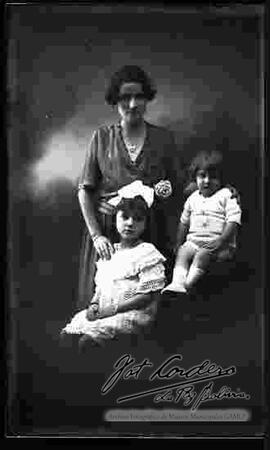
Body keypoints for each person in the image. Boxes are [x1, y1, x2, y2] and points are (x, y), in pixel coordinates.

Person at [77, 65, 179, 309]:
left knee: (146, 308)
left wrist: (168, 189)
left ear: (147, 99)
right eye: (125, 97)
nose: (132, 104)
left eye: (139, 97)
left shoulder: (163, 138)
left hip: (151, 233)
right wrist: (96, 235)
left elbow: (180, 186)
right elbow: (84, 190)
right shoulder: (101, 137)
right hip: (109, 234)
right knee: (104, 306)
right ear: (115, 100)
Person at [61, 192, 166, 347]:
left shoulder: (147, 253)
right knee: (67, 336)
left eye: (137, 219)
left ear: (145, 224)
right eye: (125, 217)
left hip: (132, 313)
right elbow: (101, 289)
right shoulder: (110, 252)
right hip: (105, 311)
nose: (130, 223)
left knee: (87, 342)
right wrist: (95, 305)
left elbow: (147, 296)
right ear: (115, 218)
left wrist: (112, 309)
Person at [162, 150, 242, 294]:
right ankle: (177, 283)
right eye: (202, 176)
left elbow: (233, 221)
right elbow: (184, 222)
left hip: (219, 245)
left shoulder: (226, 195)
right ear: (195, 178)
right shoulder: (192, 198)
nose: (207, 181)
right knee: (182, 252)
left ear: (222, 178)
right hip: (194, 242)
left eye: (213, 177)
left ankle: (187, 285)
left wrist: (221, 241)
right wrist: (179, 242)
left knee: (202, 254)